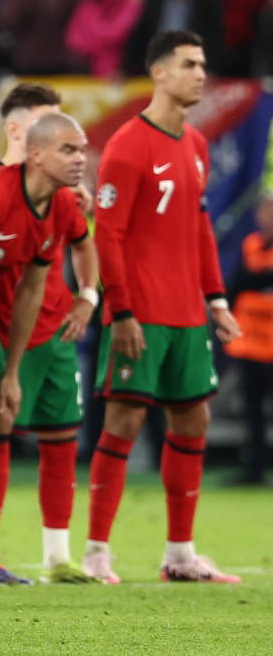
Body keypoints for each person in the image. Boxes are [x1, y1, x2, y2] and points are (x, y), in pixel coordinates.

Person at [86, 30, 242, 584]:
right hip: (141, 313)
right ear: (158, 72)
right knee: (124, 420)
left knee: (193, 417)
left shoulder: (195, 146)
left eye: (203, 64)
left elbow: (199, 228)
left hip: (187, 313)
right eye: (188, 64)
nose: (201, 73)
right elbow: (108, 235)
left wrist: (216, 298)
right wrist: (121, 311)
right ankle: (96, 551)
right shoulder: (129, 145)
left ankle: (180, 553)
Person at [0, 84, 101, 584]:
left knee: (36, 431)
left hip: (29, 332)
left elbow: (35, 287)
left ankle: (11, 559)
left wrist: (87, 296)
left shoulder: (61, 205)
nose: (81, 159)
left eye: (81, 149)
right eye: (69, 149)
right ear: (29, 143)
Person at [225, 190, 273, 485]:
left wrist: (255, 282)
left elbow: (250, 282)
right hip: (251, 342)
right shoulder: (251, 245)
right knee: (253, 408)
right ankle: (254, 468)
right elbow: (237, 286)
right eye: (265, 211)